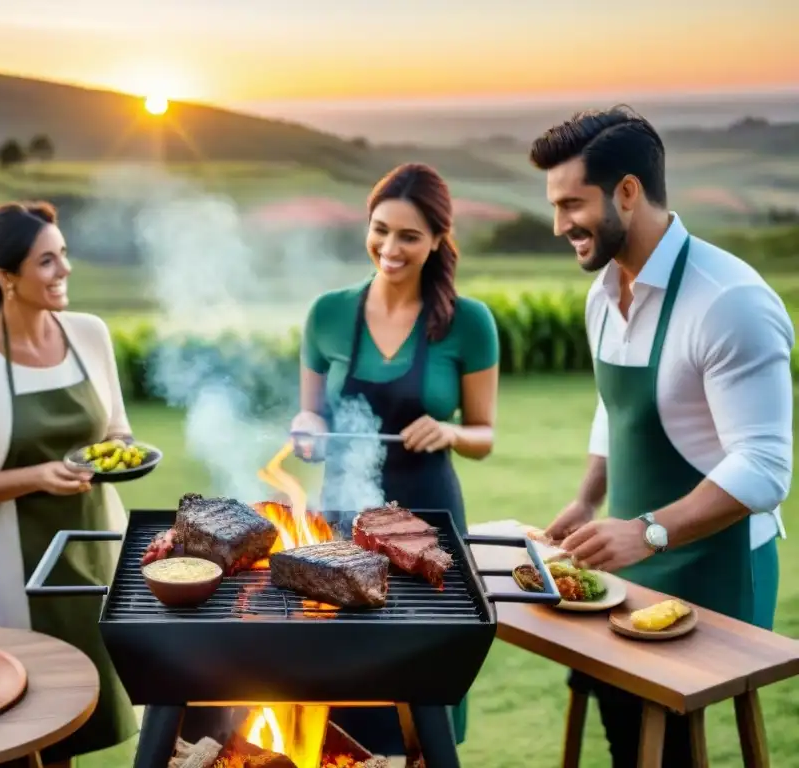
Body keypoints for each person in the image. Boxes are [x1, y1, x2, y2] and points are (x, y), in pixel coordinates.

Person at [530, 106, 793, 766]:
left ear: (627, 192)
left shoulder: (728, 299)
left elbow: (765, 467)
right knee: (621, 724)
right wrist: (591, 500)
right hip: (634, 560)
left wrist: (643, 531)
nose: (560, 225)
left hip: (716, 568)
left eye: (572, 203)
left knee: (670, 747)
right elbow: (613, 407)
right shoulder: (603, 295)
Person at [291, 163, 500, 760]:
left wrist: (451, 431)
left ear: (438, 239)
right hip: (339, 524)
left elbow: (484, 435)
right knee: (342, 683)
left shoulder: (469, 323)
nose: (390, 247)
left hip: (429, 526)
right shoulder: (328, 314)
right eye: (381, 229)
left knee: (419, 684)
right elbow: (311, 418)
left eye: (409, 235)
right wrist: (306, 429)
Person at [0, 201, 138, 768]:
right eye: (47, 261)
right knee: (26, 725)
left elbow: (117, 431)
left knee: (93, 706)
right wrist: (38, 477)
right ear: (6, 277)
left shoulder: (89, 334)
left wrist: (118, 458)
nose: (65, 270)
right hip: (13, 564)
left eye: (64, 255)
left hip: (96, 546)